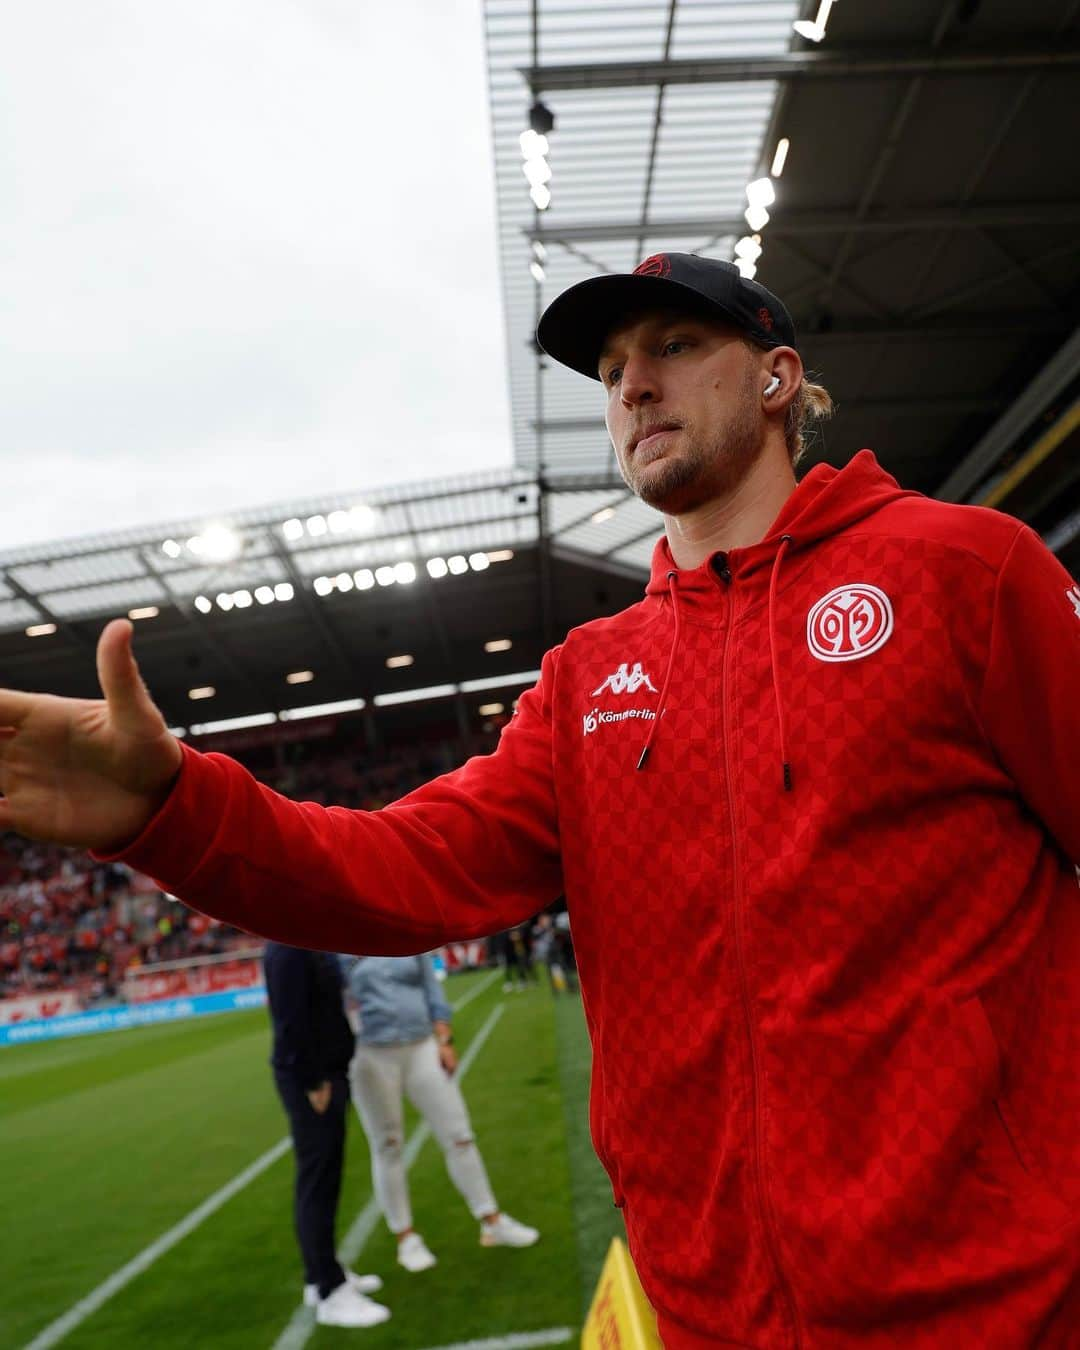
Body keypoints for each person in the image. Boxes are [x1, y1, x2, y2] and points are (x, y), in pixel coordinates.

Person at [1, 251, 1078, 1348]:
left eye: (673, 346)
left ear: (776, 377)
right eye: (610, 369)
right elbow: (399, 871)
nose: (632, 387)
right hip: (710, 1316)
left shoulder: (962, 572)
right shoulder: (582, 681)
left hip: (1003, 1308)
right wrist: (169, 810)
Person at [341, 952, 539, 1270]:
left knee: (459, 1134)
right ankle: (405, 1237)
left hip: (421, 1045)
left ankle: (491, 1219)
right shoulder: (335, 943)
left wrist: (444, 1038)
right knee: (387, 1144)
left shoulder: (403, 925)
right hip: (371, 1053)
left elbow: (430, 986)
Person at [262, 941, 390, 1329]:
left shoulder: (303, 941)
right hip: (314, 1080)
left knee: (327, 1175)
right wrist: (313, 1080)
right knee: (317, 1180)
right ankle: (329, 1292)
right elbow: (290, 1022)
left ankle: (322, 1272)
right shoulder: (286, 949)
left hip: (329, 1071)